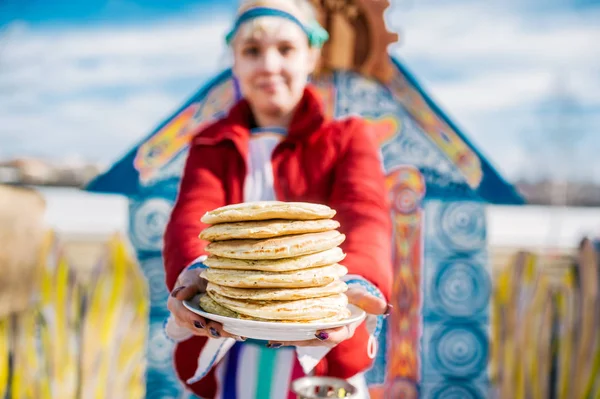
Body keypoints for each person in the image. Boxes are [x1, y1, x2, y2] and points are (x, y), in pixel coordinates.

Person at [162, 0, 394, 397]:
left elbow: (365, 216)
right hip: (231, 345)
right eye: (252, 51)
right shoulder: (211, 144)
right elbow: (191, 219)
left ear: (311, 55)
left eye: (285, 49)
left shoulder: (347, 139)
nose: (269, 66)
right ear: (234, 62)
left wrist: (355, 283)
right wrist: (194, 271)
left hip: (320, 348)